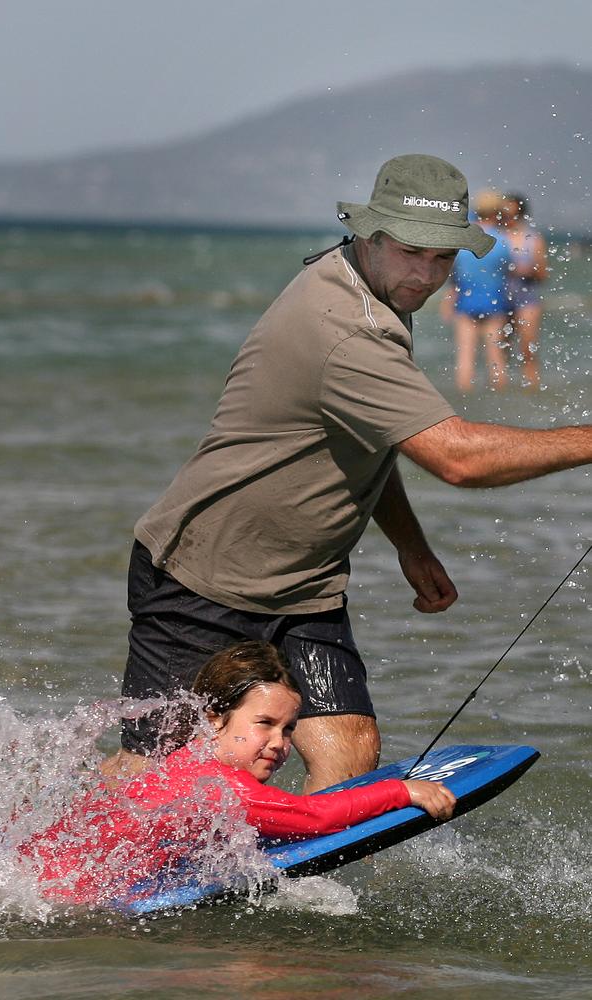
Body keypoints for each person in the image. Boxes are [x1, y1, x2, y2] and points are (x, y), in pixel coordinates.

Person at [115, 153, 592, 795]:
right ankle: (51, 873)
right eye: (410, 253)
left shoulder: (369, 288)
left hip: (305, 585)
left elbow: (361, 440)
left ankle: (277, 883)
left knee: (349, 754)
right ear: (370, 236)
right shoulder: (347, 328)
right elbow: (459, 457)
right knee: (158, 779)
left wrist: (410, 544)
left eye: (443, 258)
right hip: (204, 576)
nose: (426, 276)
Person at [19, 641, 456, 905]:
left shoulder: (185, 762)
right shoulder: (224, 788)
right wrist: (401, 792)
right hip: (57, 898)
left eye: (288, 730)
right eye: (264, 724)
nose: (278, 744)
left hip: (30, 872)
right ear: (214, 718)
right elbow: (316, 817)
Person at [441, 190, 513, 391]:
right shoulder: (503, 240)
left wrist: (448, 300)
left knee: (465, 356)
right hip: (495, 302)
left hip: (466, 301)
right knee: (496, 357)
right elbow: (508, 272)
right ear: (497, 211)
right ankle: (501, 406)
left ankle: (465, 408)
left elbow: (454, 275)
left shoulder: (464, 239)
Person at [501, 192, 548, 389]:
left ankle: (532, 390)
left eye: (513, 214)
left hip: (527, 299)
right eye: (505, 214)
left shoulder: (533, 239)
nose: (508, 219)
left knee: (528, 349)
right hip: (500, 300)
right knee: (500, 351)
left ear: (521, 215)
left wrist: (529, 271)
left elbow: (543, 274)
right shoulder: (497, 238)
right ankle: (501, 397)